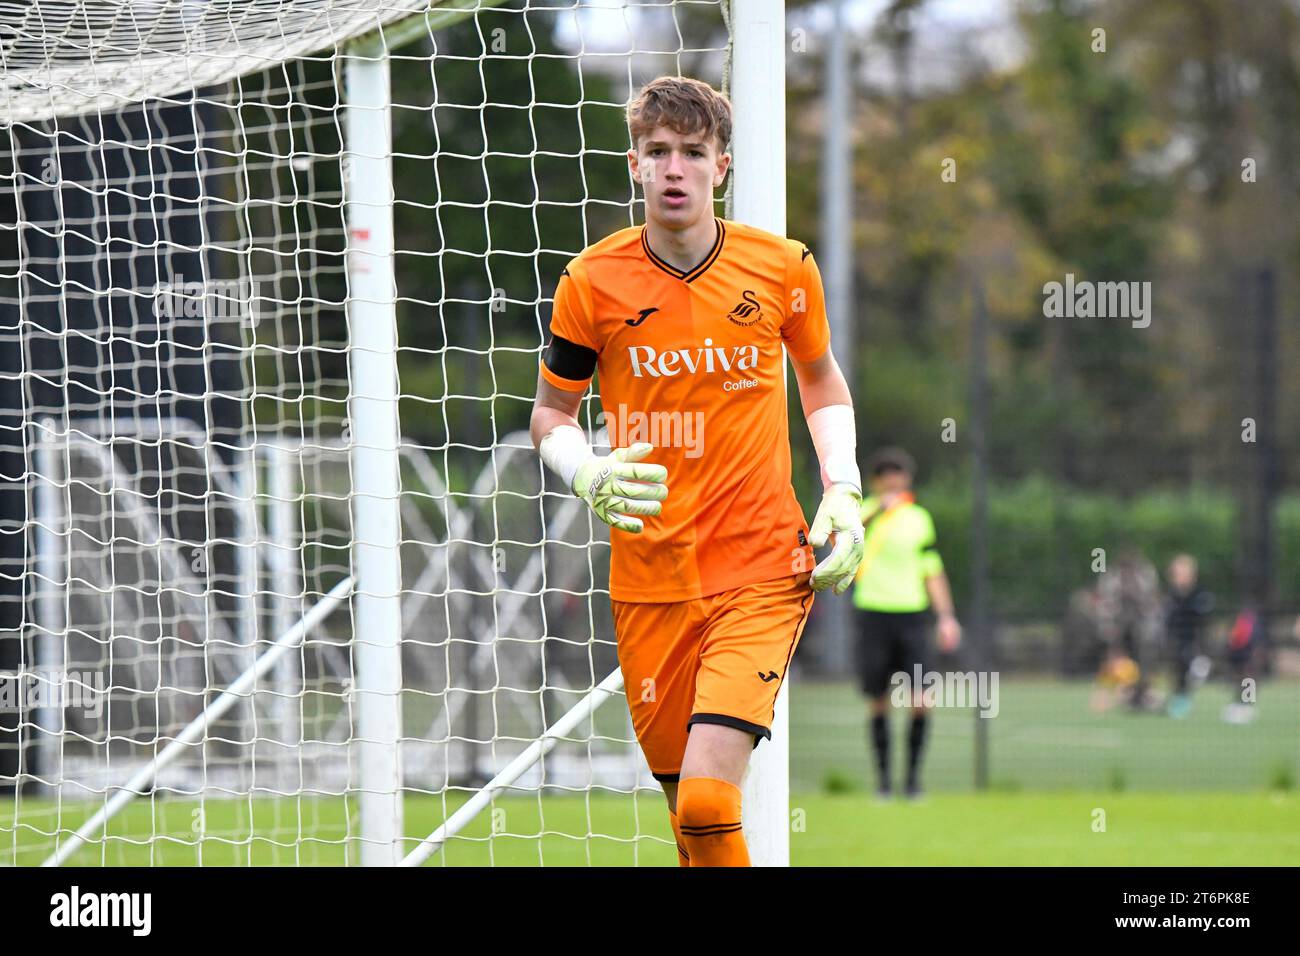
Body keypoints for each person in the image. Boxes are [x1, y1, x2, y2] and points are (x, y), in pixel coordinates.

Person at [530, 76, 865, 866]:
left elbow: (819, 378)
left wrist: (843, 489)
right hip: (648, 581)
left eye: (691, 152)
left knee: (714, 803)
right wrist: (586, 472)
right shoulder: (590, 283)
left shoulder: (783, 268)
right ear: (635, 167)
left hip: (759, 568)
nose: (673, 167)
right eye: (657, 152)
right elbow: (551, 415)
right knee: (693, 829)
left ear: (722, 167)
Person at [850, 447, 960, 800]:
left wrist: (946, 617)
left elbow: (933, 569)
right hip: (874, 614)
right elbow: (843, 543)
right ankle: (883, 782)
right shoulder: (861, 513)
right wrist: (876, 512)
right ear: (877, 481)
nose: (893, 482)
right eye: (886, 476)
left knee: (922, 700)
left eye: (899, 476)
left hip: (913, 617)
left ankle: (912, 781)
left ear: (907, 480)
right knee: (879, 701)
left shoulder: (919, 519)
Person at [1162, 553, 1214, 719]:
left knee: (1193, 667)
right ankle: (1178, 699)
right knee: (1177, 667)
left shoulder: (1201, 595)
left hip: (1196, 645)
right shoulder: (1171, 596)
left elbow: (1204, 623)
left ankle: (1183, 698)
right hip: (1175, 643)